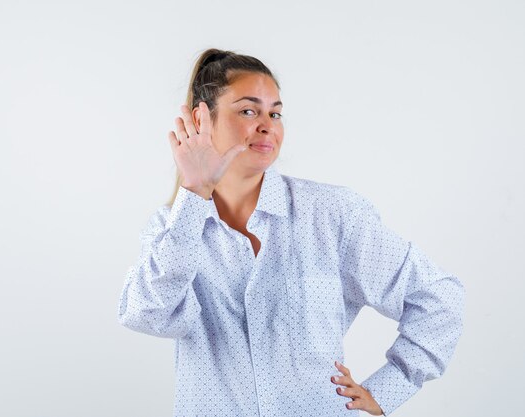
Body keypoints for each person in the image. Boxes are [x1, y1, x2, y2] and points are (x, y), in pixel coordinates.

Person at [117, 48, 465, 417]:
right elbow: (147, 314)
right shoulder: (171, 230)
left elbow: (438, 296)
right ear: (203, 118)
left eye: (275, 113)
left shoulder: (332, 215)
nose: (267, 125)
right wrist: (194, 193)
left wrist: (389, 388)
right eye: (248, 110)